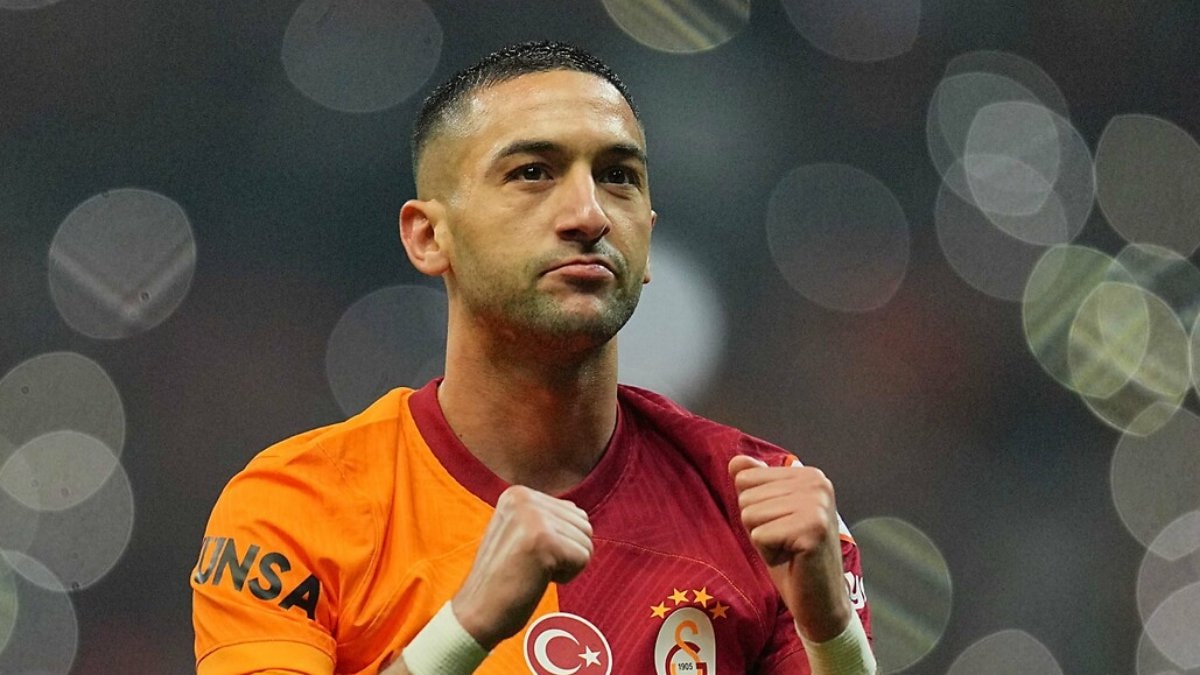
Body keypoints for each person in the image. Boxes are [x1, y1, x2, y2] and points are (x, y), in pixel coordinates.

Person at [191, 41, 874, 675]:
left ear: (647, 238)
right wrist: (467, 625)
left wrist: (831, 634)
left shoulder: (763, 506)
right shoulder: (294, 509)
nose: (589, 215)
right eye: (532, 173)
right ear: (429, 236)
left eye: (618, 177)